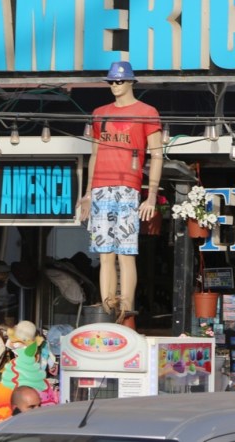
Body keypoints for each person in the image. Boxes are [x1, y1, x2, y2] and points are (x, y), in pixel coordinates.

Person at [76, 62, 163, 321]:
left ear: (131, 82)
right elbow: (94, 154)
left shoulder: (147, 112)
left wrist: (151, 195)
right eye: (112, 81)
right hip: (101, 188)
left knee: (126, 252)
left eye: (119, 81)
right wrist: (88, 193)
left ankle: (126, 307)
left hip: (128, 187)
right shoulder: (99, 113)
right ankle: (106, 308)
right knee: (105, 253)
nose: (115, 85)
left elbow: (157, 155)